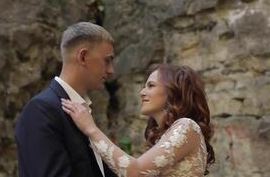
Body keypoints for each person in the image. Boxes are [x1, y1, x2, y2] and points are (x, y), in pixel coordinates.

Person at [61, 64, 215, 177]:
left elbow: (135, 172)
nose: (142, 92)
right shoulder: (170, 134)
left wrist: (91, 129)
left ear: (174, 90)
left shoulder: (187, 126)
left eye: (151, 86)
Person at [15, 22, 118, 177]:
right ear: (83, 57)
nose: (111, 71)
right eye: (107, 60)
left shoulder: (82, 112)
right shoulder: (41, 110)